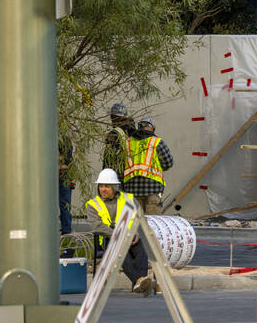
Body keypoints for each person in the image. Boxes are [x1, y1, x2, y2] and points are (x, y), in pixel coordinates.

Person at [85, 167, 155, 296]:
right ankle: (140, 280)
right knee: (121, 251)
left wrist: (136, 233)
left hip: (129, 234)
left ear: (115, 187)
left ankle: (140, 283)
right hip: (108, 238)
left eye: (107, 186)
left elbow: (139, 218)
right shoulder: (92, 204)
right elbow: (97, 226)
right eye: (101, 186)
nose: (103, 189)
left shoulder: (128, 199)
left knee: (142, 247)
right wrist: (119, 235)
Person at [120, 117, 174, 215]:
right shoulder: (156, 142)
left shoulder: (127, 142)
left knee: (137, 226)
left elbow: (120, 164)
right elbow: (168, 163)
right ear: (152, 129)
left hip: (132, 189)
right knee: (153, 223)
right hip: (153, 189)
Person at [58, 133, 74, 236]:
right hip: (65, 174)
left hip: (62, 174)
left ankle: (66, 233)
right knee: (65, 206)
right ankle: (66, 233)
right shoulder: (64, 137)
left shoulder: (61, 138)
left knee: (64, 206)